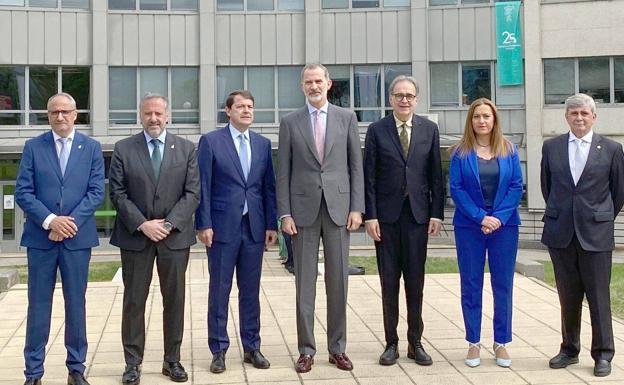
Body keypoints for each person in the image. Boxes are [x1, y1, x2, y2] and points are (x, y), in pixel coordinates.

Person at [277, 63, 364, 373]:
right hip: (302, 213)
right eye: (308, 82)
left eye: (318, 81)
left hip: (340, 210)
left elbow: (356, 166)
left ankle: (337, 348)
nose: (313, 86)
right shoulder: (289, 122)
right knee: (305, 284)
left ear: (329, 84)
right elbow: (283, 171)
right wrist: (284, 213)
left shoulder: (347, 118)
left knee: (338, 281)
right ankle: (306, 350)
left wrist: (357, 207)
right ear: (302, 86)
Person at [109, 93, 200, 385]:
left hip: (175, 239)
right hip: (136, 238)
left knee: (174, 300)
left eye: (159, 113)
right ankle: (132, 363)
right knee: (134, 301)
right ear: (141, 116)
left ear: (168, 115)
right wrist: (142, 224)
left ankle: (171, 360)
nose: (154, 119)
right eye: (148, 113)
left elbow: (193, 193)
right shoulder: (124, 148)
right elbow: (117, 193)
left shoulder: (186, 149)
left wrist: (170, 223)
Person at [16, 92, 105, 385]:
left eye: (65, 111)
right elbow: (23, 192)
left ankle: (76, 368)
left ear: (76, 114)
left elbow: (95, 192)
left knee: (75, 305)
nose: (60, 117)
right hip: (41, 241)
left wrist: (68, 224)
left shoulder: (91, 148)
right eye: (54, 112)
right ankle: (33, 372)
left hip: (76, 242)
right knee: (38, 305)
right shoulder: (33, 147)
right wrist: (51, 221)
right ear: (48, 115)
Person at [541, 93, 624, 377]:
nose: (579, 118)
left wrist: (599, 218)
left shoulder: (612, 149)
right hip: (561, 232)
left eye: (584, 114)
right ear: (566, 117)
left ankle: (603, 354)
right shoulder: (551, 147)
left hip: (596, 234)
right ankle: (569, 349)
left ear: (593, 117)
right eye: (573, 113)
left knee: (599, 297)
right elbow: (547, 186)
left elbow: (618, 192)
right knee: (568, 295)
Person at [363, 76, 444, 367]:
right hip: (385, 219)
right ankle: (391, 343)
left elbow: (436, 175)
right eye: (399, 95)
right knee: (389, 283)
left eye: (409, 95)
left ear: (417, 99)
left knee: (415, 282)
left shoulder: (429, 130)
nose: (404, 100)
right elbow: (368, 177)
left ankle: (415, 342)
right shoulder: (376, 130)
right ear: (390, 99)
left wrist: (436, 213)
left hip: (418, 218)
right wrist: (369, 215)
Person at [195, 90, 277, 373]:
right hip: (220, 229)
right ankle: (218, 350)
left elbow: (268, 188)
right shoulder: (211, 142)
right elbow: (202, 185)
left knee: (250, 291)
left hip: (253, 227)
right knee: (220, 290)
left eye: (250, 106)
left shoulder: (263, 144)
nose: (246, 110)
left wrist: (270, 224)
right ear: (227, 111)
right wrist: (203, 224)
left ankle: (252, 346)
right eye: (240, 106)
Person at [449, 98, 523, 368]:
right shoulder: (460, 152)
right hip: (470, 227)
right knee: (471, 284)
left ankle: (501, 342)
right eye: (477, 116)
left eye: (486, 116)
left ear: (494, 120)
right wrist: (481, 217)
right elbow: (456, 189)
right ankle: (473, 342)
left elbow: (516, 186)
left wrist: (497, 219)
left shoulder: (509, 149)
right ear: (471, 121)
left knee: (502, 284)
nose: (482, 121)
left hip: (505, 227)